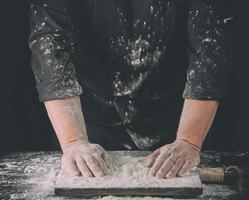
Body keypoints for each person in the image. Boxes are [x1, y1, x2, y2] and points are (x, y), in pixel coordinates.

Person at [28, 0, 234, 179]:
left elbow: (209, 52)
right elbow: (52, 48)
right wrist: (74, 142)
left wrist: (189, 141)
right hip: (85, 125)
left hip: (178, 125)